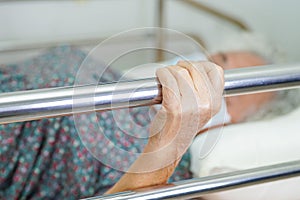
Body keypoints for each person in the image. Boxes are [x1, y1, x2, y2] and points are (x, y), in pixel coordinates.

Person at [0, 46, 277, 199]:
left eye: (225, 93)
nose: (200, 74)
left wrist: (171, 140)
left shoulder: (170, 173)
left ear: (229, 125)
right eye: (218, 60)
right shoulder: (126, 82)